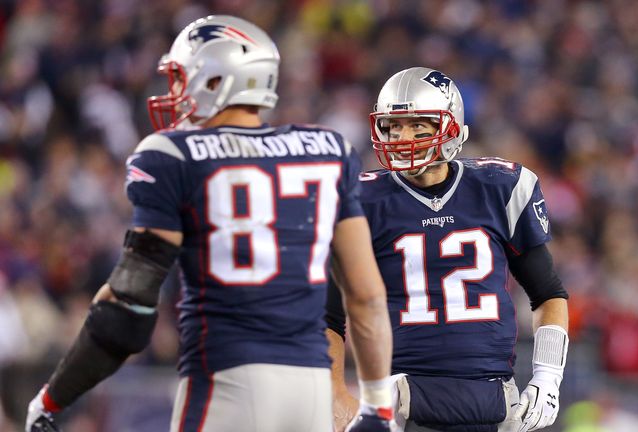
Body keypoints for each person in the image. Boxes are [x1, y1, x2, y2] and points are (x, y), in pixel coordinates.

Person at [25, 15, 393, 432]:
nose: (175, 94)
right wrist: (377, 407)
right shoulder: (329, 149)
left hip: (228, 382)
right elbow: (366, 297)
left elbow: (130, 305)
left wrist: (54, 396)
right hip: (310, 391)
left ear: (216, 80)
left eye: (181, 78)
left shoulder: (173, 155)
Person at [327, 67, 570, 432]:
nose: (401, 137)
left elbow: (548, 293)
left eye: (416, 126)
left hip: (492, 400)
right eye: (392, 126)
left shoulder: (500, 187)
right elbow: (326, 315)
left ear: (451, 126)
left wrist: (548, 377)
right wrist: (334, 394)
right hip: (400, 399)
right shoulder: (361, 200)